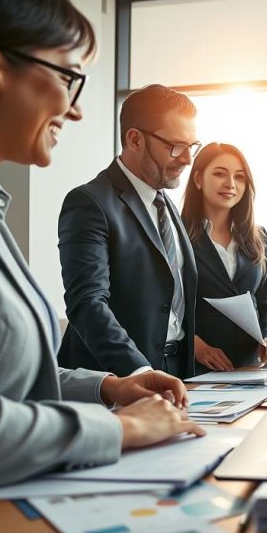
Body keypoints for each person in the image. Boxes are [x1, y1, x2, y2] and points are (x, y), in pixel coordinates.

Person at [0, 0, 203, 492]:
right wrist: (122, 428)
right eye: (67, 78)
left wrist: (109, 386)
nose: (76, 110)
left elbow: (3, 377)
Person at [57, 85, 200, 378]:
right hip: (115, 378)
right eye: (176, 146)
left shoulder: (167, 206)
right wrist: (140, 372)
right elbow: (88, 303)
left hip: (176, 371)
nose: (187, 159)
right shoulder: (89, 202)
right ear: (134, 139)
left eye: (192, 146)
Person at [180, 143, 267, 371]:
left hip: (250, 368)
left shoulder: (258, 237)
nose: (231, 184)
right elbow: (164, 308)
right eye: (219, 174)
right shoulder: (177, 233)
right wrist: (196, 346)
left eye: (239, 177)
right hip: (196, 367)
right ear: (198, 179)